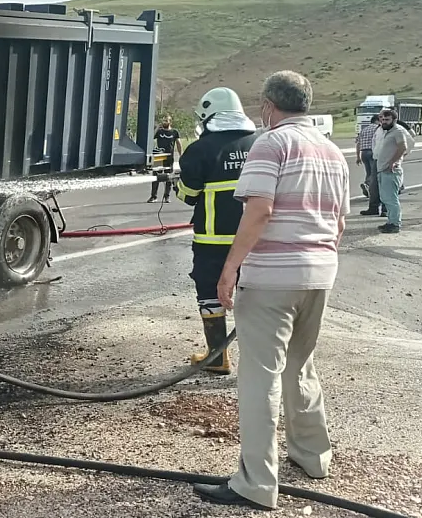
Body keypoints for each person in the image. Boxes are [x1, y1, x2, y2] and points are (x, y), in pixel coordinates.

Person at [193, 71, 350, 511]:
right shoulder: (332, 151)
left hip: (272, 278)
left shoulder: (271, 143)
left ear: (267, 105)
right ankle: (313, 456)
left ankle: (256, 483)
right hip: (319, 274)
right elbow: (339, 222)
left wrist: (229, 270)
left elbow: (259, 211)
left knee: (260, 377)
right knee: (300, 367)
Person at [175, 87, 258, 375]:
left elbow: (187, 195)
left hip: (213, 239)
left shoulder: (200, 149)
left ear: (209, 116)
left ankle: (217, 357)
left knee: (210, 292)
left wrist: (178, 181)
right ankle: (258, 361)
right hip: (255, 238)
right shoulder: (260, 143)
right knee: (255, 295)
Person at [373, 109, 411, 233]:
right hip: (382, 169)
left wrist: (393, 161)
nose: (384, 122)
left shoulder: (398, 131)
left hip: (391, 171)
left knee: (391, 198)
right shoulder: (386, 132)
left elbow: (403, 147)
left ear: (394, 120)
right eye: (382, 119)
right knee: (385, 198)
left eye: (387, 119)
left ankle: (395, 223)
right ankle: (390, 221)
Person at [148, 115, 182, 203]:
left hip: (169, 157)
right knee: (156, 177)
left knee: (169, 177)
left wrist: (181, 154)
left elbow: (178, 143)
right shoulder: (159, 131)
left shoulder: (174, 132)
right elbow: (150, 137)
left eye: (166, 120)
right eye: (163, 120)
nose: (164, 122)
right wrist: (156, 128)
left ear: (170, 122)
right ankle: (153, 196)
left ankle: (167, 196)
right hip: (159, 157)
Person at [355, 115, 378, 198]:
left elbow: (358, 143)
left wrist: (358, 156)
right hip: (373, 152)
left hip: (364, 152)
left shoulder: (364, 130)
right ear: (377, 121)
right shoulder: (378, 129)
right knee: (374, 172)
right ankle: (367, 185)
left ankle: (369, 189)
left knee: (368, 172)